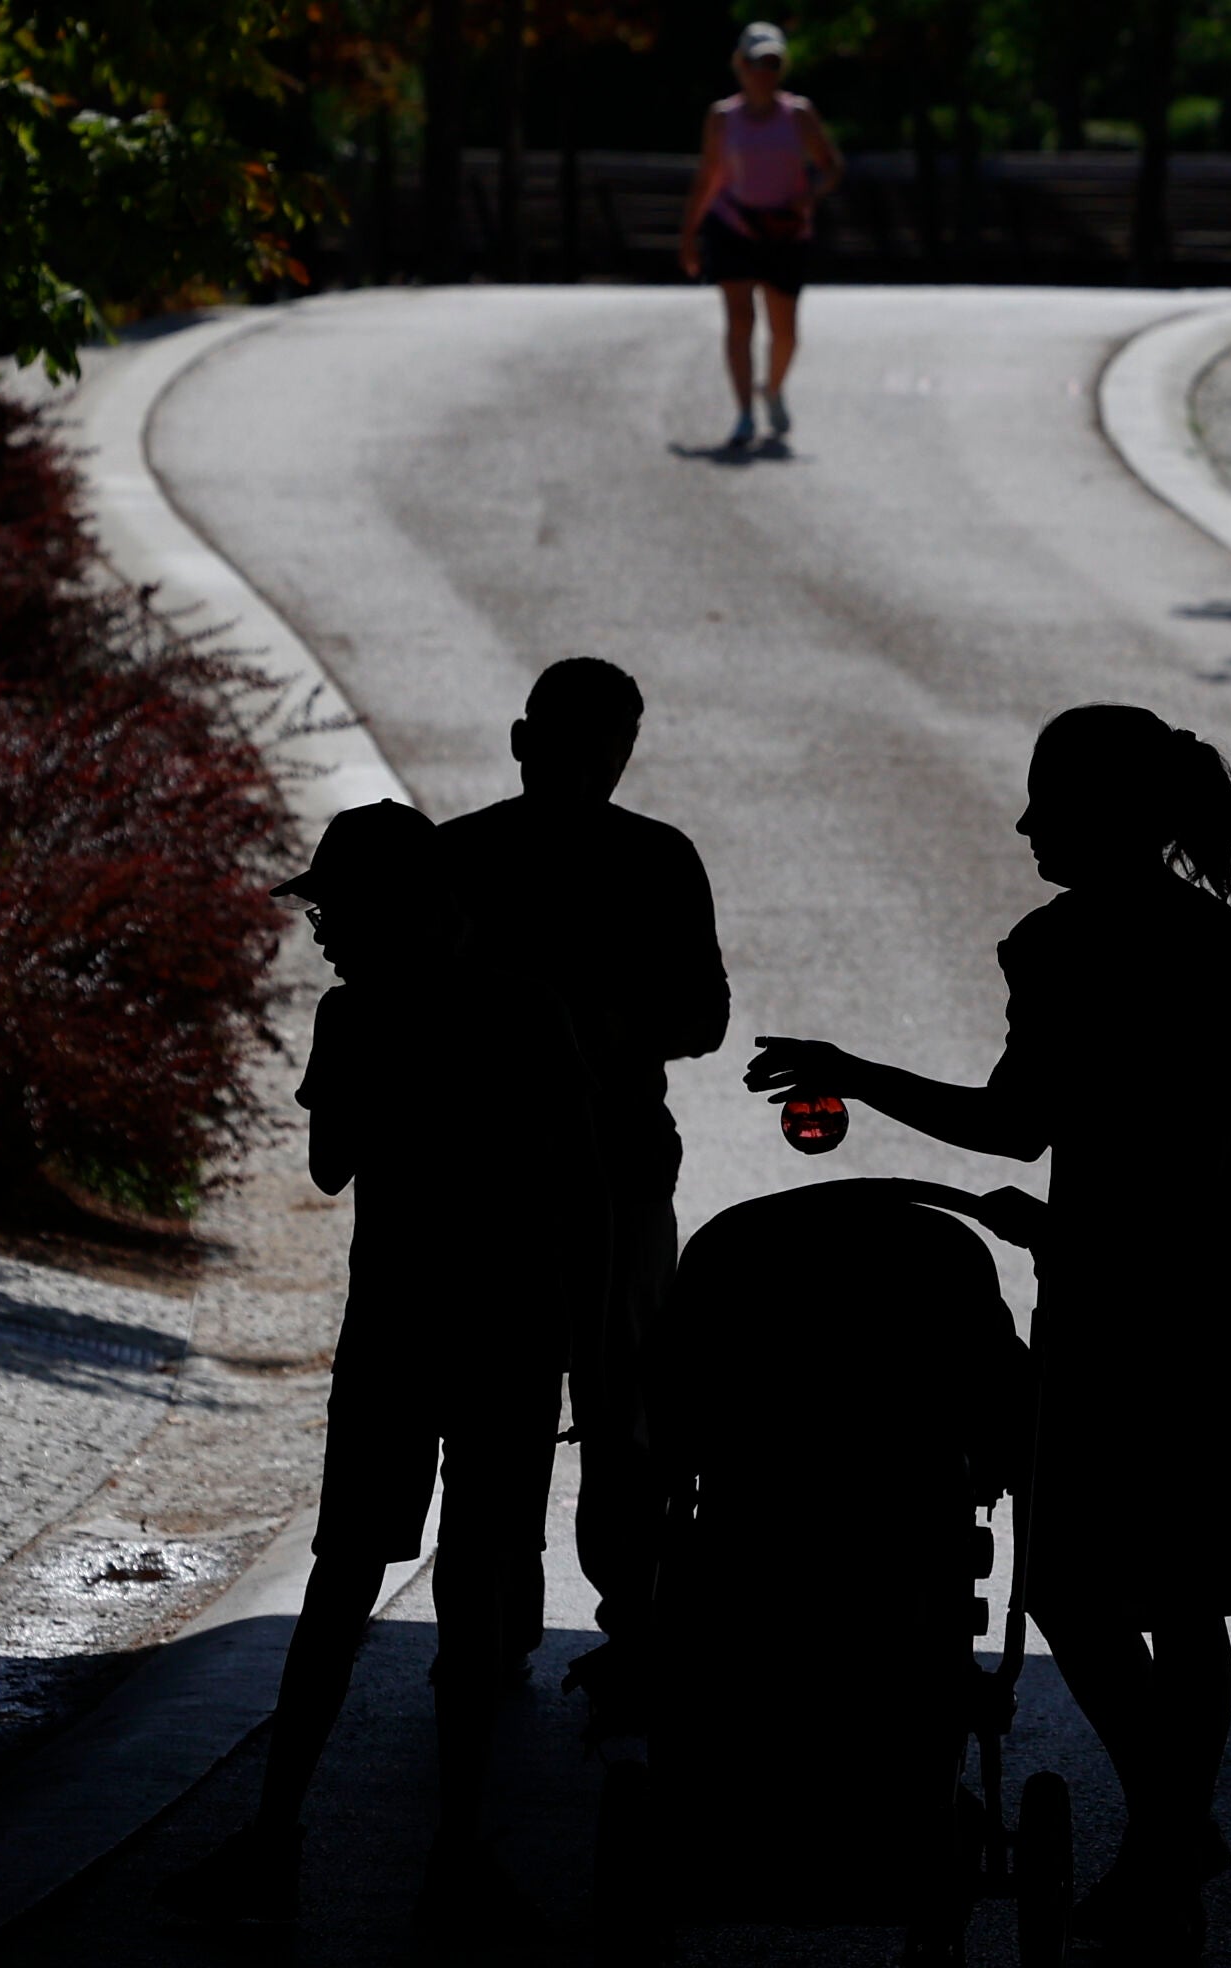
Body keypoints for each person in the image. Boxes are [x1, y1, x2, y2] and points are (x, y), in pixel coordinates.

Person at [743, 706, 1231, 1963]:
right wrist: (1190, 1138)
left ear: (1106, 814)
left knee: (1071, 1586)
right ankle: (1171, 1830)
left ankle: (1167, 1831)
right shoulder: (1223, 941)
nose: (1021, 825)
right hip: (1229, 1281)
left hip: (1118, 1297)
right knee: (1190, 1595)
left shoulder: (1057, 947)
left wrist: (850, 1072)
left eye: (1042, 803)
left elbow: (1015, 1127)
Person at [157, 799, 602, 1934]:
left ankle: (273, 1836)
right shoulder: (527, 1011)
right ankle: (457, 1850)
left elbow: (328, 1166)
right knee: (475, 1589)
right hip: (508, 1331)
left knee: (343, 1580)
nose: (324, 934)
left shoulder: (354, 1022)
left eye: (336, 913)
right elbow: (579, 1184)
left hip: (399, 1331)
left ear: (397, 910)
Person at [441, 659, 729, 1717]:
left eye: (604, 750)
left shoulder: (462, 857)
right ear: (526, 744)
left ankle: (517, 1620)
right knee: (605, 1404)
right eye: (580, 747)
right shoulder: (652, 859)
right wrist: (623, 1029)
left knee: (539, 1403)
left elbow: (701, 1014)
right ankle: (612, 1618)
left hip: (523, 1169)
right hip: (584, 1162)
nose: (591, 769)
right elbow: (700, 1015)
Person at [677, 21, 845, 450]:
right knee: (739, 321)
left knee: (784, 330)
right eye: (756, 62)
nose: (763, 71)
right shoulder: (722, 118)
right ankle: (744, 415)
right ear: (741, 66)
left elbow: (830, 166)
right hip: (734, 224)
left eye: (772, 63)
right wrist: (689, 233)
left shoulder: (799, 115)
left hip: (784, 230)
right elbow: (708, 176)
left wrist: (809, 198)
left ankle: (771, 388)